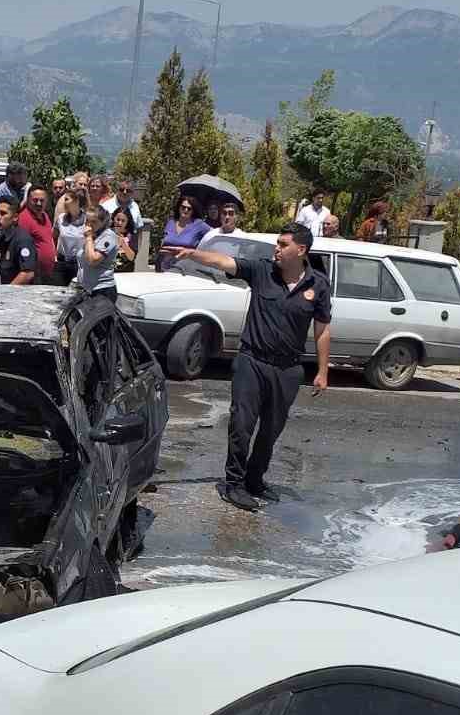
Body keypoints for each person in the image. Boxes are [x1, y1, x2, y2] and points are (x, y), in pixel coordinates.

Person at [164, 222, 332, 512]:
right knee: (242, 425)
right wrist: (192, 254)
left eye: (283, 244)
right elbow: (224, 261)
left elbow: (323, 329)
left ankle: (255, 480)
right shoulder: (262, 271)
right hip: (252, 362)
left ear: (301, 250)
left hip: (288, 370)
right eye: (277, 243)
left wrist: (322, 371)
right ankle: (234, 484)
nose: (276, 249)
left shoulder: (317, 285)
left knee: (271, 430)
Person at [76, 204, 119, 302]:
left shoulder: (108, 237)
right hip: (86, 289)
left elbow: (93, 260)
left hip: (102, 290)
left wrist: (88, 238)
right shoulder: (92, 235)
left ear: (102, 222)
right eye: (87, 221)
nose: (89, 225)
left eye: (94, 222)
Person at [158, 195, 210, 270]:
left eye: (189, 209)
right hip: (165, 267)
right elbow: (164, 242)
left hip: (186, 269)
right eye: (183, 207)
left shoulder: (199, 225)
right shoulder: (171, 222)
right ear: (179, 207)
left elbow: (213, 234)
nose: (185, 210)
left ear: (193, 211)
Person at [0, 196, 37, 286]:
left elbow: (27, 274)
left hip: (20, 295)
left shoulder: (23, 240)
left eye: (3, 213)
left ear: (15, 217)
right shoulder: (3, 238)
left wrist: (7, 292)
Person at [19, 187, 57, 282]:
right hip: (34, 276)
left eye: (42, 200)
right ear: (28, 200)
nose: (39, 203)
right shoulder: (24, 219)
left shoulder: (45, 215)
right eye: (35, 200)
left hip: (47, 273)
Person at [54, 196, 87, 287]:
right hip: (62, 263)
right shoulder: (60, 218)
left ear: (76, 201)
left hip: (79, 265)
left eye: (67, 199)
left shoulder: (87, 220)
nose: (64, 202)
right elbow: (54, 237)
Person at [112, 206, 137, 271]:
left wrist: (123, 243)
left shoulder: (132, 236)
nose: (119, 223)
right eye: (118, 219)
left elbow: (131, 257)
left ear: (127, 222)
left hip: (126, 273)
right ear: (113, 218)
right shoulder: (107, 233)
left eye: (123, 221)